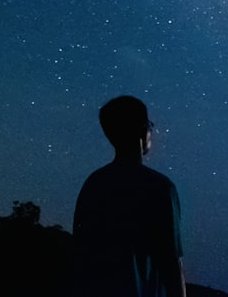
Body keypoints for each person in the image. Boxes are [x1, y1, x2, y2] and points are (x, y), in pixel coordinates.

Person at [72, 95, 186, 297]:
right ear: (142, 128)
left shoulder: (93, 185)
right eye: (150, 125)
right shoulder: (159, 187)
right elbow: (172, 264)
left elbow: (81, 257)